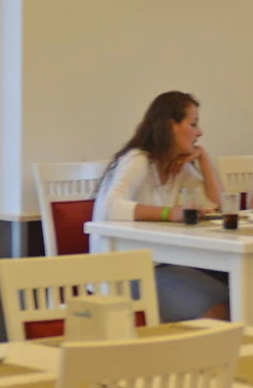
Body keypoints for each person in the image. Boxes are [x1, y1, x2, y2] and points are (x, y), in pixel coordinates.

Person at [97, 90, 231, 321]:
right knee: (217, 310)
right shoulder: (138, 160)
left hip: (164, 264)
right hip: (124, 271)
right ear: (171, 126)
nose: (200, 132)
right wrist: (169, 213)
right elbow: (111, 207)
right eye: (193, 124)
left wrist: (204, 158)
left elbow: (220, 206)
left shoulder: (178, 165)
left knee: (238, 297)